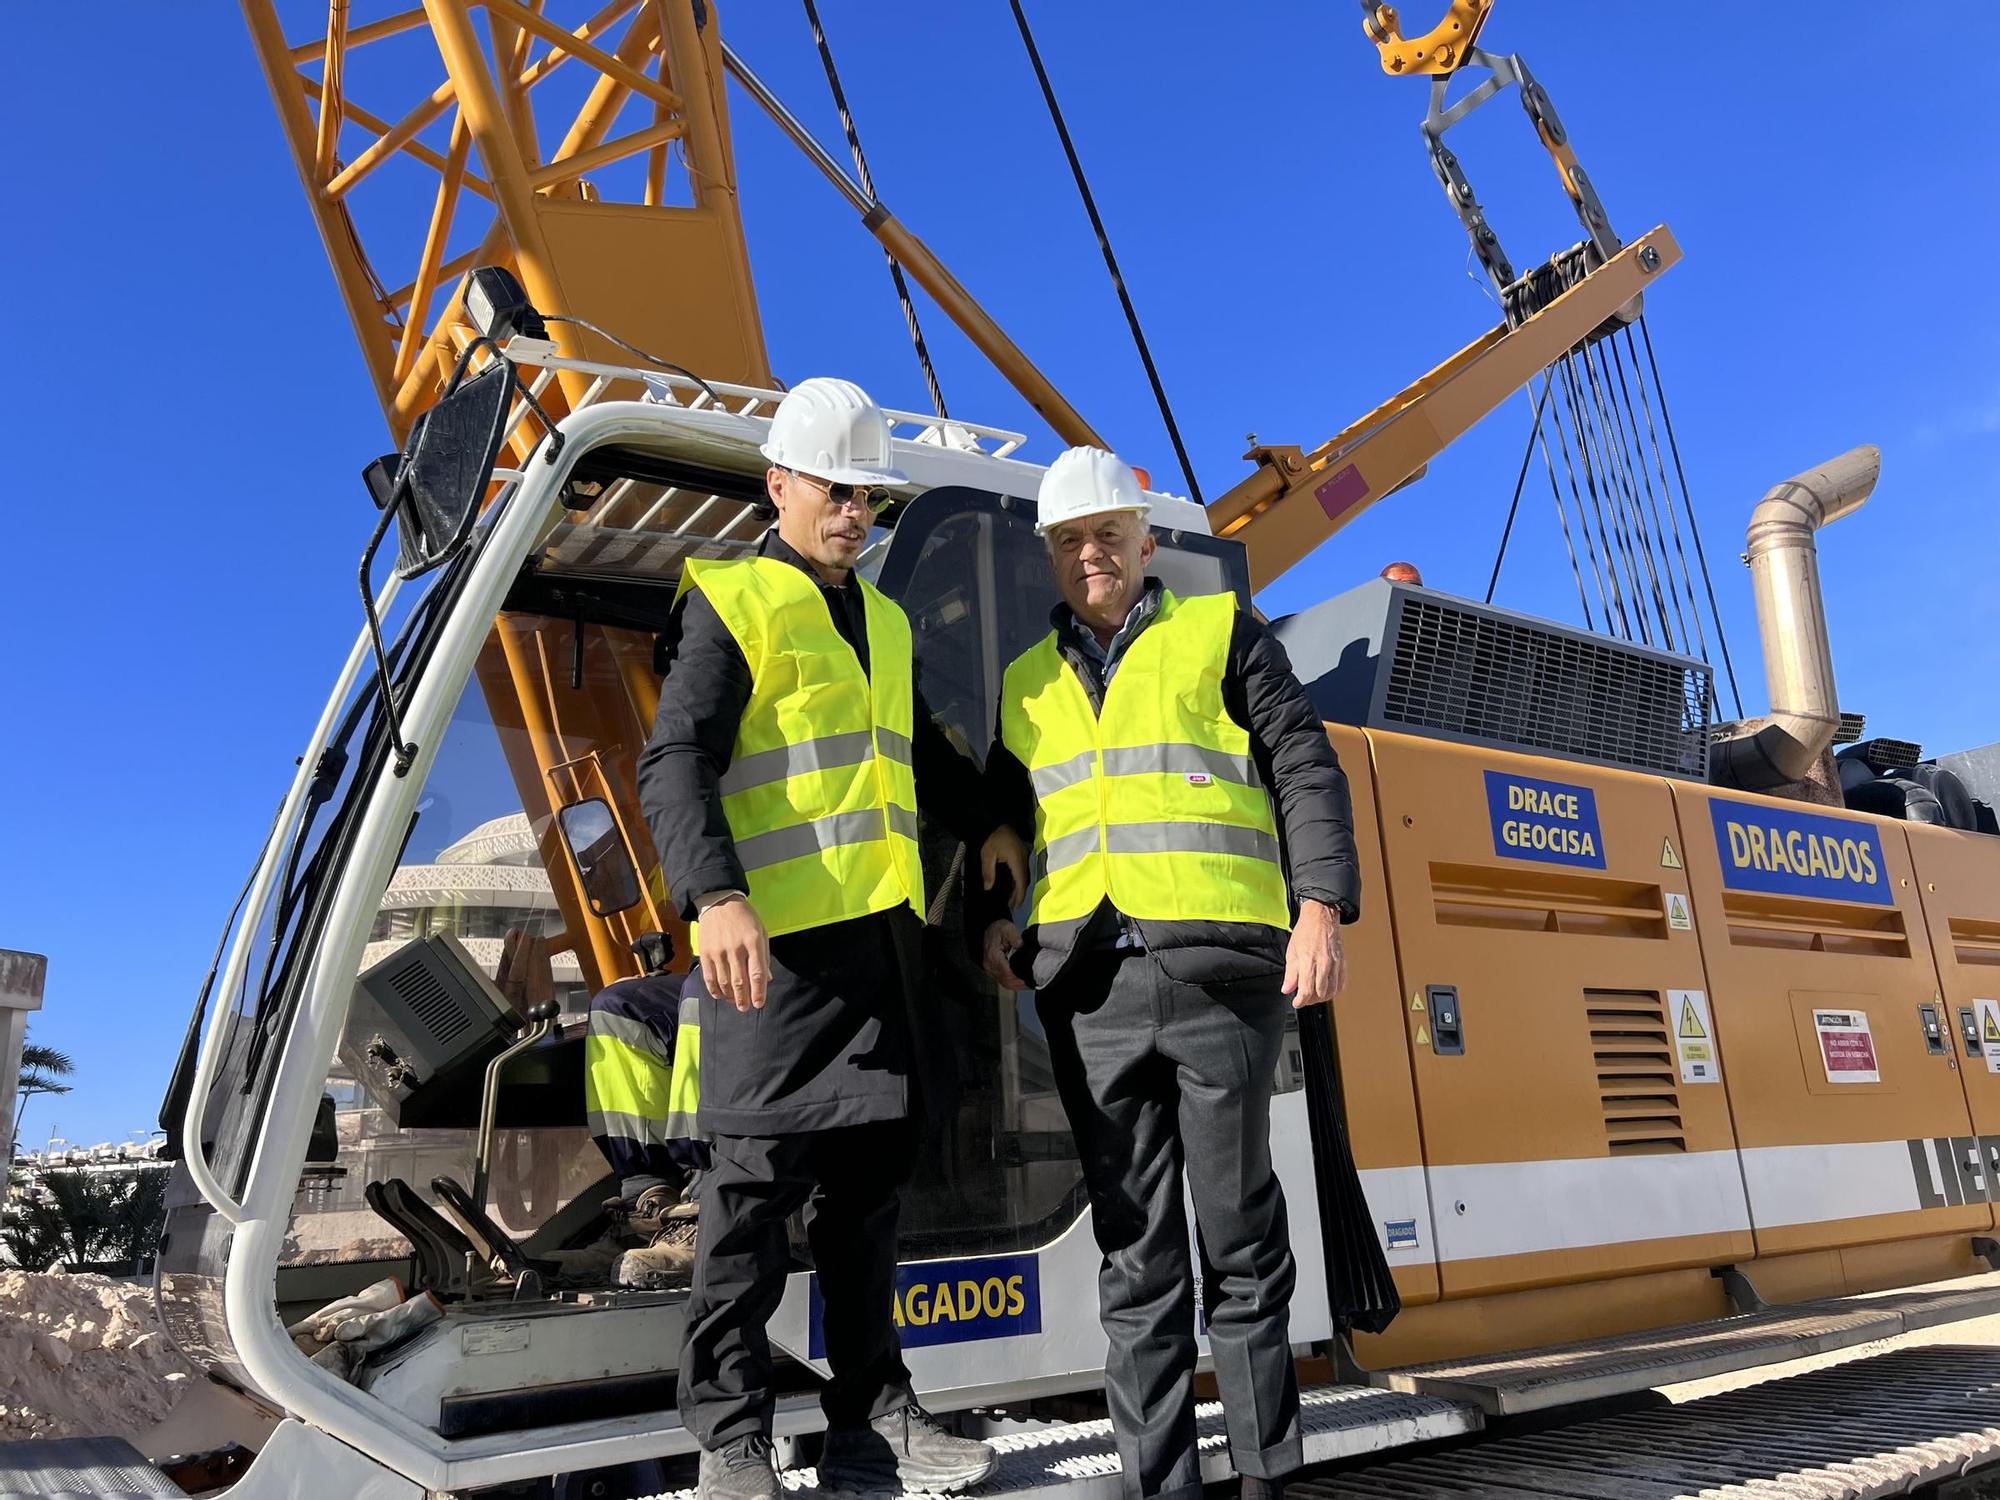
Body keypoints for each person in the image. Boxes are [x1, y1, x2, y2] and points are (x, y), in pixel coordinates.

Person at [637, 377, 1025, 1500]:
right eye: (837, 491)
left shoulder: (888, 621)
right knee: (746, 1201)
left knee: (867, 1204)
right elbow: (675, 763)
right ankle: (729, 1437)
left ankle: (872, 1423)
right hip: (773, 961)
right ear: (779, 487)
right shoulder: (732, 600)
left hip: (880, 951)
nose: (855, 513)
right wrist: (715, 897)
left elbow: (913, 754)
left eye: (871, 499)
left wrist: (988, 819)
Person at [975, 446, 1362, 1500]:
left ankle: (1264, 1478)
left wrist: (1317, 911)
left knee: (1237, 1239)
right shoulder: (1023, 682)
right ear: (1052, 557)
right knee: (1135, 1260)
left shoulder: (1218, 635)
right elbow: (1005, 814)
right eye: (1068, 541)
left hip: (1215, 979)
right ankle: (1161, 1488)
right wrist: (990, 915)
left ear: (1145, 544)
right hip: (1086, 991)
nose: (1087, 555)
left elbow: (1303, 767)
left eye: (1105, 535)